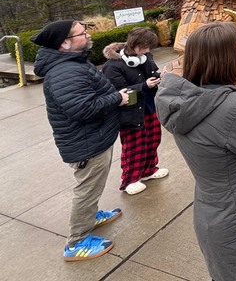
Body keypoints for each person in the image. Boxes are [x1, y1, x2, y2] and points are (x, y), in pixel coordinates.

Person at [155, 22, 236, 281]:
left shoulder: (183, 101)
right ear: (225, 58)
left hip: (213, 214)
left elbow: (217, 141)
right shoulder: (233, 107)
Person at [32, 20, 128, 261]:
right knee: (86, 190)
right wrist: (116, 98)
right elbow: (83, 109)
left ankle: (91, 216)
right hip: (86, 144)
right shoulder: (65, 71)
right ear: (64, 43)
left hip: (92, 139)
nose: (87, 35)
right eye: (82, 33)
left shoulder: (71, 62)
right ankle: (76, 242)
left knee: (92, 187)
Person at [103, 28, 168, 195]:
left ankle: (148, 170)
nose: (148, 51)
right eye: (146, 47)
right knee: (133, 146)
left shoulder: (146, 58)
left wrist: (161, 75)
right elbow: (117, 91)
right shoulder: (113, 66)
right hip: (129, 113)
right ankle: (130, 180)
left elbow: (152, 73)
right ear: (136, 44)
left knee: (153, 140)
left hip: (149, 107)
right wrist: (144, 86)